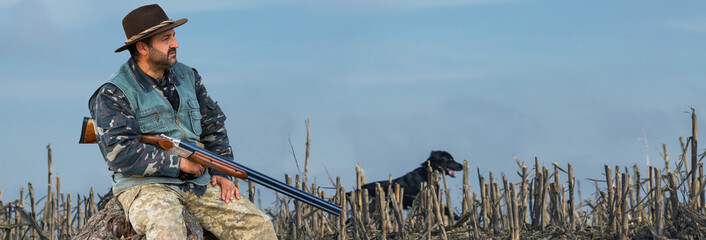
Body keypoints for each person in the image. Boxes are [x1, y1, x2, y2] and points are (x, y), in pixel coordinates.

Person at [88, 4, 277, 240]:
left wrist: (220, 169)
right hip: (145, 186)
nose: (175, 44)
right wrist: (178, 164)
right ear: (142, 47)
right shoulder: (114, 92)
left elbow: (214, 125)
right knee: (167, 228)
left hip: (198, 183)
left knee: (258, 225)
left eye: (174, 37)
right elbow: (120, 153)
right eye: (166, 39)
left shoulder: (189, 77)